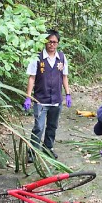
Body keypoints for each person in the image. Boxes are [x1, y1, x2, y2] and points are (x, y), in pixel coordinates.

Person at [23, 30, 72, 161]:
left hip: (56, 100)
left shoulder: (61, 57)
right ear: (45, 42)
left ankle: (48, 148)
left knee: (52, 126)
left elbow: (64, 77)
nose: (52, 44)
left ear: (58, 43)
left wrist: (67, 94)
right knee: (38, 127)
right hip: (40, 100)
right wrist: (28, 97)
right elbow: (32, 78)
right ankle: (32, 152)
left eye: (54, 42)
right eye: (49, 41)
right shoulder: (37, 57)